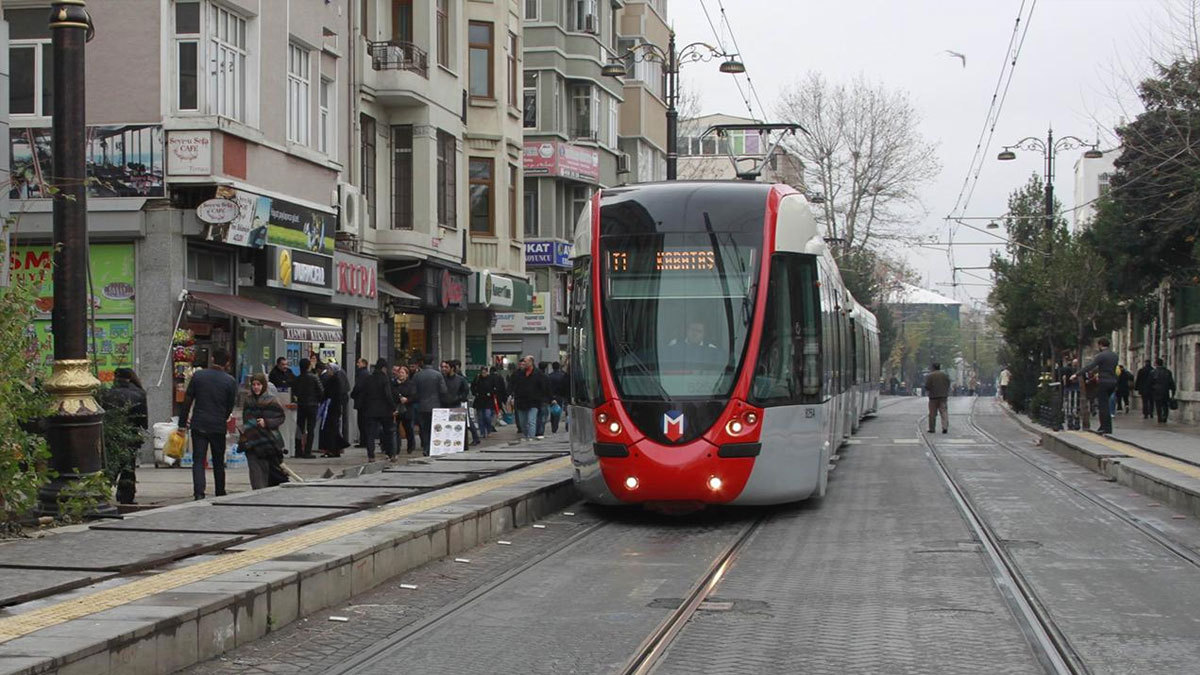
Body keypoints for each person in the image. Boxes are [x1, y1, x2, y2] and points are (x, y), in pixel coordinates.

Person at [178, 348, 238, 500]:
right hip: (218, 425)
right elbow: (230, 405)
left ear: (212, 359)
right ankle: (220, 491)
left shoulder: (198, 376)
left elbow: (187, 400)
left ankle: (199, 493)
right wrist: (223, 417)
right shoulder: (230, 381)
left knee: (198, 460)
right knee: (218, 460)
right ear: (227, 363)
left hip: (199, 423)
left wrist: (182, 423)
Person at [100, 367, 147, 504]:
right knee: (128, 467)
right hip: (131, 434)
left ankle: (102, 492)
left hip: (112, 434)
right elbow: (143, 419)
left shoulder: (107, 394)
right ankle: (126, 496)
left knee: (111, 465)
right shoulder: (139, 393)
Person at [239, 373, 287, 490]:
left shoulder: (271, 401)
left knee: (268, 471)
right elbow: (246, 419)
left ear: (263, 385)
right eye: (254, 384)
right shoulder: (248, 401)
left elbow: (280, 417)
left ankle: (265, 492)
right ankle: (257, 492)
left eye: (259, 384)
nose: (256, 387)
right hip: (252, 441)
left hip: (268, 442)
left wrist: (267, 422)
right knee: (255, 472)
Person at [1073, 337, 1118, 435]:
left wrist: (1077, 374)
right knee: (1106, 404)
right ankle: (1107, 426)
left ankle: (1105, 427)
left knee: (1103, 405)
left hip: (1104, 381)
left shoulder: (1101, 356)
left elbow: (1090, 366)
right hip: (1113, 381)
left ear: (1100, 345)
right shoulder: (1114, 355)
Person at [358, 358, 397, 460]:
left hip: (370, 410)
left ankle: (371, 455)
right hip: (384, 410)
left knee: (370, 434)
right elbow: (388, 395)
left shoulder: (368, 379)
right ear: (384, 368)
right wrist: (393, 407)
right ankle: (390, 453)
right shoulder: (385, 379)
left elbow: (363, 394)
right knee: (388, 432)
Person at [411, 355, 448, 456]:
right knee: (435, 427)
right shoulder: (438, 375)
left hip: (422, 406)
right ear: (432, 362)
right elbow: (443, 390)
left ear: (422, 362)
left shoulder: (417, 376)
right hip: (436, 405)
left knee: (424, 428)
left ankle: (426, 447)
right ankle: (434, 447)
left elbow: (413, 392)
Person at [510, 355, 551, 440]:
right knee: (522, 423)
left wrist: (545, 398)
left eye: (526, 361)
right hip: (521, 402)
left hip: (534, 402)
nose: (524, 363)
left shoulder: (538, 374)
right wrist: (512, 397)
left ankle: (531, 439)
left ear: (531, 362)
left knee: (531, 421)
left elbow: (544, 387)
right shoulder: (519, 374)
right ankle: (526, 436)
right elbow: (513, 386)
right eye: (523, 361)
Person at [291, 358, 323, 458]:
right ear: (309, 366)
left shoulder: (297, 379)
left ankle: (298, 450)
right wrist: (318, 400)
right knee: (310, 429)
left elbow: (294, 391)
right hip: (312, 405)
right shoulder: (314, 378)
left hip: (301, 405)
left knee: (299, 428)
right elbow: (321, 391)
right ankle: (307, 451)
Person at [318, 362, 350, 457]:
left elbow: (330, 394)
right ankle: (335, 448)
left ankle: (332, 449)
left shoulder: (334, 380)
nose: (328, 371)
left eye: (329, 369)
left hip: (332, 408)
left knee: (331, 429)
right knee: (333, 429)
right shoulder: (335, 379)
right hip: (333, 407)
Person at [393, 365, 417, 454]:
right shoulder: (394, 384)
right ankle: (396, 448)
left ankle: (410, 446)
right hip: (396, 408)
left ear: (407, 375)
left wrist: (407, 399)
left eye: (403, 373)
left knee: (408, 429)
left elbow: (414, 396)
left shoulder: (411, 384)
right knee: (395, 429)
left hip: (407, 409)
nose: (401, 374)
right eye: (399, 372)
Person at [924, 362, 951, 434]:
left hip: (933, 397)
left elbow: (927, 386)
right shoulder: (945, 375)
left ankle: (932, 428)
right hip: (943, 397)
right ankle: (945, 427)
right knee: (944, 412)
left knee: (932, 413)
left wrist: (928, 390)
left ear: (933, 367)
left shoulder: (930, 376)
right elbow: (948, 384)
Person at [472, 367, 498, 440]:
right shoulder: (477, 378)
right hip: (479, 400)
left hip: (488, 400)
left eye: (485, 372)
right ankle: (482, 432)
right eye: (482, 372)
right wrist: (475, 393)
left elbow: (495, 388)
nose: (483, 374)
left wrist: (491, 393)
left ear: (487, 372)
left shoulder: (491, 379)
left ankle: (489, 430)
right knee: (480, 418)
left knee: (487, 416)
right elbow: (473, 387)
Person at [1151, 358, 1177, 424]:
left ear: (1156, 364)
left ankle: (1159, 417)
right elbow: (1171, 383)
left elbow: (1150, 383)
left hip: (1156, 391)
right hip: (1165, 391)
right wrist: (1173, 392)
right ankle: (1165, 417)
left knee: (1158, 405)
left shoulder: (1153, 372)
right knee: (1165, 405)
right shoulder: (1168, 372)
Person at [352, 358, 370, 446]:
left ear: (364, 364)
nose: (357, 364)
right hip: (364, 401)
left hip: (362, 401)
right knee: (363, 422)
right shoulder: (365, 373)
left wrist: (353, 394)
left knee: (362, 422)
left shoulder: (362, 374)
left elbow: (358, 386)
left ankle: (364, 441)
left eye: (359, 362)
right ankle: (364, 441)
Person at [548, 361, 569, 434]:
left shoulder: (549, 376)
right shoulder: (562, 375)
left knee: (553, 411)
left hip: (552, 396)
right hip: (561, 395)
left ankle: (553, 426)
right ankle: (563, 426)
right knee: (562, 411)